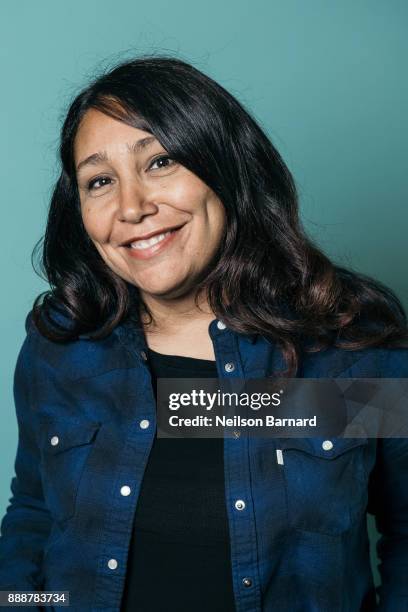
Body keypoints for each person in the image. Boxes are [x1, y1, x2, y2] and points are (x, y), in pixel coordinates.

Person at [0, 55, 407, 612]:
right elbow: (33, 514)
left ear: (227, 168)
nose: (132, 207)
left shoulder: (349, 348)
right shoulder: (60, 347)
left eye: (160, 161)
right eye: (99, 181)